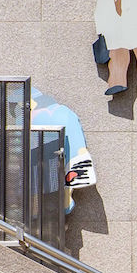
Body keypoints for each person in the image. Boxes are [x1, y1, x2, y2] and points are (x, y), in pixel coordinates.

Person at [30, 87, 95, 216]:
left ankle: (36, 209)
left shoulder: (56, 113)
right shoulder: (62, 112)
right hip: (53, 155)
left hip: (49, 153)